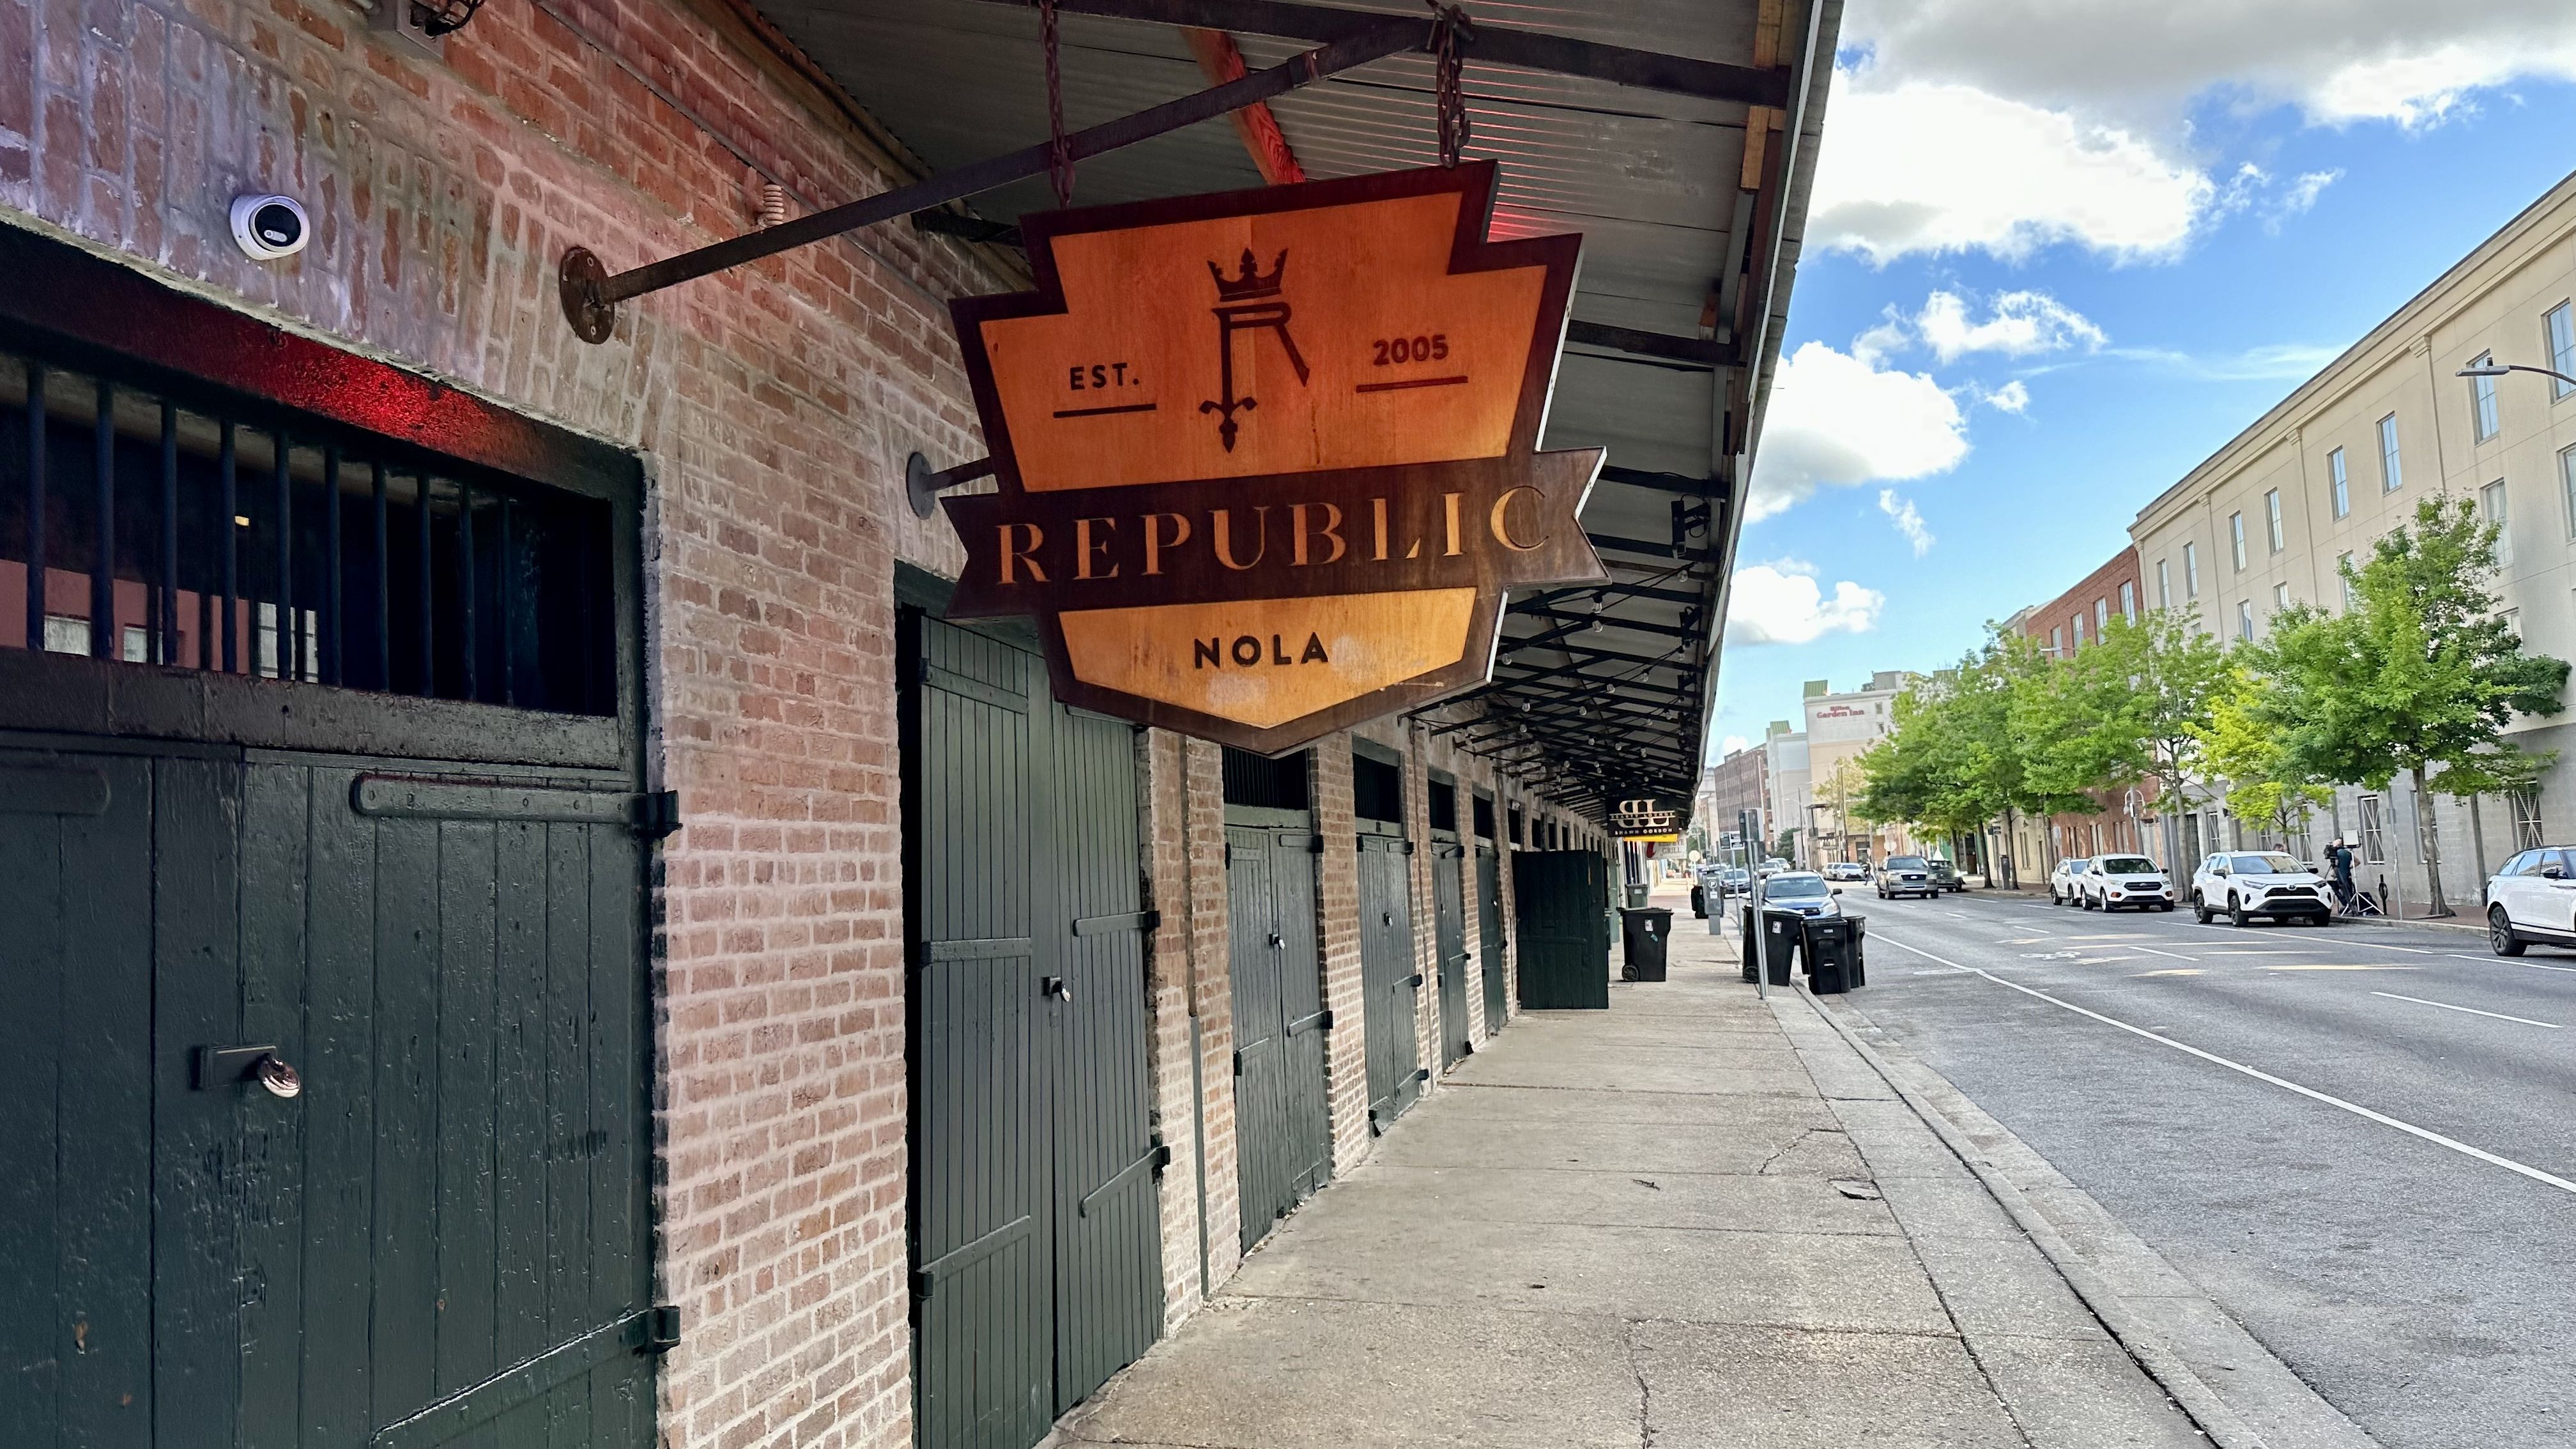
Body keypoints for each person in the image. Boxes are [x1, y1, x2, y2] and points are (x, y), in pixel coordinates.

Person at [2327, 837, 2356, 908]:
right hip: (2347, 875)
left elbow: (2335, 865)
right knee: (2349, 891)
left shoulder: (2336, 854)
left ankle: (2345, 903)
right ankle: (2350, 904)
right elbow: (2357, 862)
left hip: (2338, 877)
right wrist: (2349, 867)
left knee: (2332, 886)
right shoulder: (2348, 853)